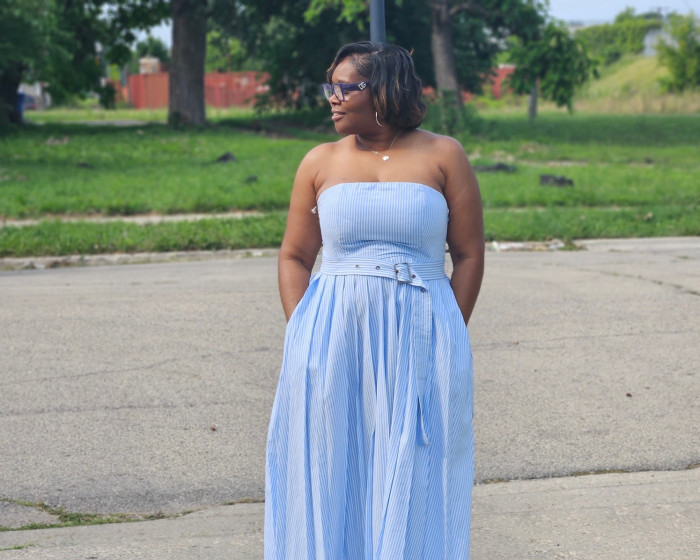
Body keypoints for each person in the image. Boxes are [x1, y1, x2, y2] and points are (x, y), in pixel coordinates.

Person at [265, 41, 484, 560]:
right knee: (332, 465)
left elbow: (469, 254)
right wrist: (304, 333)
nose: (333, 98)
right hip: (332, 337)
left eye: (345, 88)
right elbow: (294, 257)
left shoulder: (444, 155)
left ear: (384, 89)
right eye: (331, 87)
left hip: (422, 334)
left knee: (418, 466)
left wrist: (448, 328)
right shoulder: (319, 161)